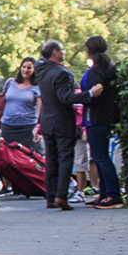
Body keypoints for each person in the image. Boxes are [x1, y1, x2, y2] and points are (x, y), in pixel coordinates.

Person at [34, 39, 101, 211]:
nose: (64, 52)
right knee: (65, 158)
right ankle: (61, 196)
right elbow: (66, 98)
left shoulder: (41, 69)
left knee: (51, 158)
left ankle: (50, 196)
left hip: (47, 120)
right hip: (62, 120)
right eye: (62, 50)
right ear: (55, 52)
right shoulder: (62, 73)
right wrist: (89, 94)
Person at [82, 35, 124, 208]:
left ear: (89, 50)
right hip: (106, 117)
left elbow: (94, 95)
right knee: (101, 156)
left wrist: (82, 96)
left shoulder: (95, 71)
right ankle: (105, 193)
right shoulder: (109, 67)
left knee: (100, 157)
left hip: (95, 118)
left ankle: (113, 194)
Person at [0, 57, 42, 153]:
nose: (26, 70)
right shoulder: (10, 82)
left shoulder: (37, 87)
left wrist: (39, 126)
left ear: (34, 70)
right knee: (7, 154)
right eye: (24, 67)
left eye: (29, 68)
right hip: (8, 125)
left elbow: (40, 110)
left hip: (27, 126)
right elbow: (3, 100)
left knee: (25, 156)